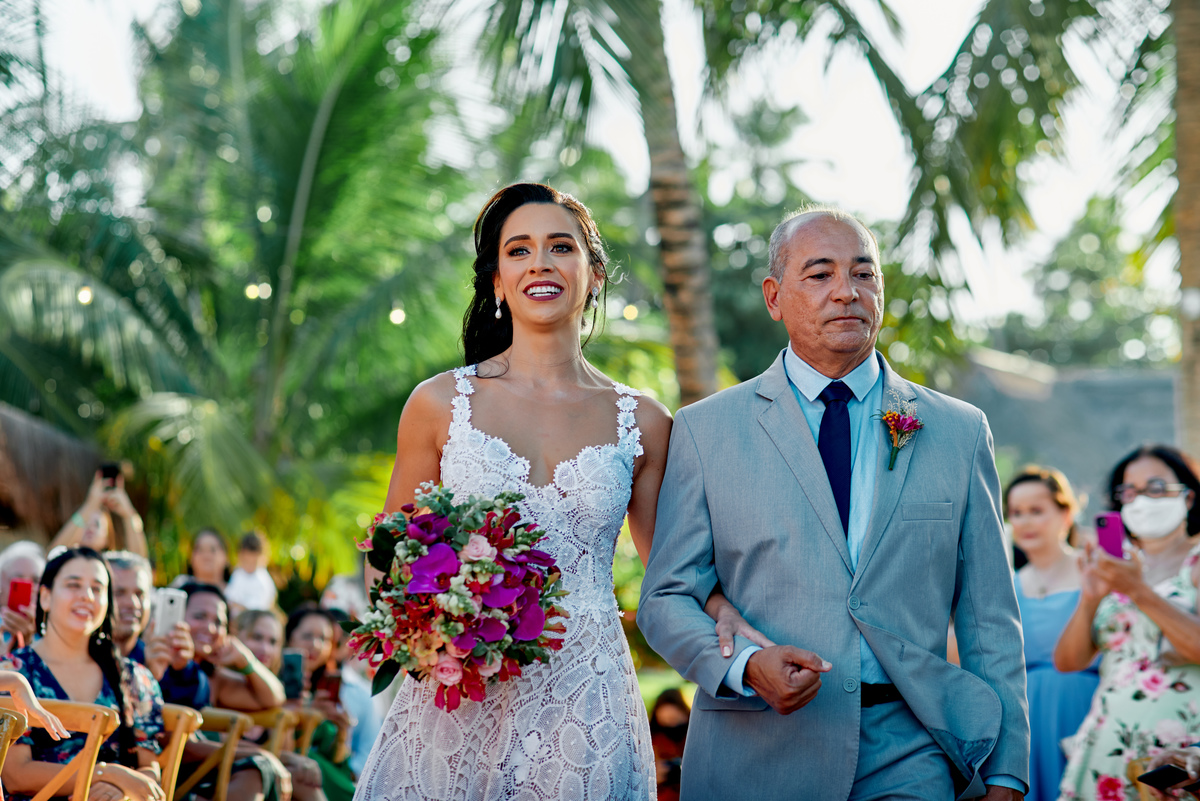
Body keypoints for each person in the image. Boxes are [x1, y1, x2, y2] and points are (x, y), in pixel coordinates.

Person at [638, 207, 1030, 800]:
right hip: (756, 750)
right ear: (774, 297)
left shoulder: (958, 431)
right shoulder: (706, 430)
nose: (846, 292)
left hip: (911, 750)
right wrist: (743, 665)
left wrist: (1006, 771)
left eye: (863, 274)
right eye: (819, 275)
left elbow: (989, 616)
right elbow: (667, 597)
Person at [353, 182, 672, 801]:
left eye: (561, 247)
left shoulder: (647, 420)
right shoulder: (439, 403)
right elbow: (386, 555)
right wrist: (427, 640)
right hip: (457, 695)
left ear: (595, 273)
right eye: (519, 251)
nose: (541, 264)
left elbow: (671, 574)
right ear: (497, 280)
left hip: (588, 690)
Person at [1054, 445, 1200, 800]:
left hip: (1177, 758)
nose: (1140, 500)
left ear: (1189, 496)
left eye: (1155, 487)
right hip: (1105, 747)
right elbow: (1069, 661)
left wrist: (1137, 589)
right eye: (1128, 491)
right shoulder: (1115, 569)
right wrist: (1090, 597)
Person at [0, 547, 165, 801]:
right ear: (45, 597)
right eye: (73, 585)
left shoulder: (133, 678)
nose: (87, 596)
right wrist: (104, 774)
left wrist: (121, 790)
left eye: (97, 589)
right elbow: (16, 775)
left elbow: (149, 768)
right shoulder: (12, 673)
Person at [1004, 467, 1099, 801]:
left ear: (1067, 513)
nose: (1026, 522)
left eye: (1037, 511)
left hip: (1086, 710)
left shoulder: (1096, 576)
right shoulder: (1004, 587)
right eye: (1016, 513)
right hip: (1025, 724)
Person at [180, 583, 292, 801]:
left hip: (206, 777)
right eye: (200, 616)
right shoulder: (154, 665)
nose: (210, 628)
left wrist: (246, 660)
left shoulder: (214, 678)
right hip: (173, 781)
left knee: (299, 773)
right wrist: (257, 753)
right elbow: (175, 743)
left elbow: (275, 697)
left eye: (218, 622)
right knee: (258, 770)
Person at [104, 551, 205, 707]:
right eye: (119, 593)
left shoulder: (156, 655)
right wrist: (144, 679)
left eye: (140, 594)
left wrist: (182, 670)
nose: (133, 603)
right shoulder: (79, 656)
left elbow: (193, 708)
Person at [283, 606, 356, 801]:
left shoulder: (326, 688)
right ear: (290, 637)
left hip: (327, 776)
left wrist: (342, 732)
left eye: (324, 639)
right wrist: (308, 714)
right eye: (307, 636)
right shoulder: (276, 683)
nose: (315, 645)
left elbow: (338, 759)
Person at [49, 470, 148, 558]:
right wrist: (89, 506)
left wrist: (129, 514)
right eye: (85, 523)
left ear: (107, 538)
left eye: (97, 524)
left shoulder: (114, 564)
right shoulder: (64, 563)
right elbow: (52, 553)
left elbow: (140, 562)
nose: (90, 528)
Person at [0, 542, 44, 658]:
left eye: (35, 580)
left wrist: (28, 643)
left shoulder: (53, 633)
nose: (30, 588)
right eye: (18, 580)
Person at [648, 689, 690, 801]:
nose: (671, 726)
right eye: (666, 721)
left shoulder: (694, 736)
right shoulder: (652, 741)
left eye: (675, 719)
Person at [225, 531, 277, 615]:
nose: (249, 566)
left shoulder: (263, 580)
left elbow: (257, 609)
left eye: (253, 562)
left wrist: (237, 606)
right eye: (246, 561)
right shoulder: (238, 574)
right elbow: (230, 598)